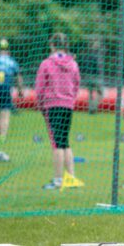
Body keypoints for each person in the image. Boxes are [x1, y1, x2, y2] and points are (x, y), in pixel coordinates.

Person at [35, 33, 81, 189]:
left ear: (52, 45)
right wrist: (71, 100)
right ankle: (71, 177)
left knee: (57, 144)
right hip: (68, 105)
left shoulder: (46, 64)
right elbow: (76, 85)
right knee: (65, 141)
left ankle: (58, 180)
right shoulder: (73, 64)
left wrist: (41, 105)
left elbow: (40, 88)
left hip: (52, 105)